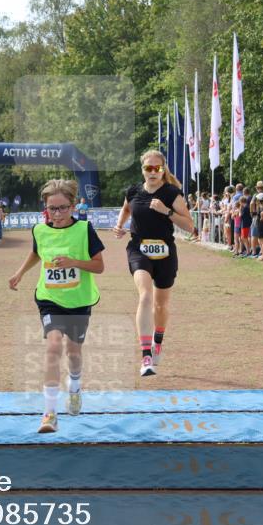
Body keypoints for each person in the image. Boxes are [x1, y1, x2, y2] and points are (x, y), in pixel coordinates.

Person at [9, 179, 105, 433]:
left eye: (63, 208)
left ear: (73, 207)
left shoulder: (84, 230)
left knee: (73, 353)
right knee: (53, 347)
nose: (58, 214)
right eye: (52, 208)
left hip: (79, 301)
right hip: (49, 298)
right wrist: (20, 273)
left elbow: (99, 266)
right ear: (46, 208)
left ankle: (75, 387)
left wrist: (74, 262)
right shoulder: (40, 230)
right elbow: (36, 253)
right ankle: (49, 413)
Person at [112, 150, 194, 377]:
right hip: (139, 249)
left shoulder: (172, 193)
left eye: (157, 168)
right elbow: (126, 208)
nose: (152, 172)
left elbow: (190, 226)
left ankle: (158, 341)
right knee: (145, 296)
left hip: (165, 252)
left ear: (163, 169)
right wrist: (120, 226)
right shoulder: (133, 191)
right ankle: (146, 356)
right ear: (143, 170)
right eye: (148, 168)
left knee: (161, 306)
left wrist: (166, 211)